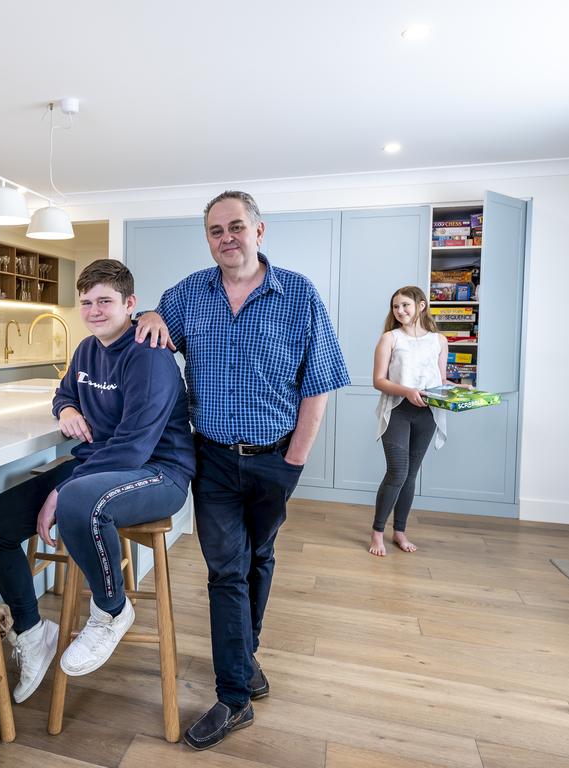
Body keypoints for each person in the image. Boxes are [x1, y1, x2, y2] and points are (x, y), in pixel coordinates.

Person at [135, 191, 350, 751]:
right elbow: (150, 340)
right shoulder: (187, 294)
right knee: (225, 570)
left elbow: (319, 383)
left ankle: (244, 655)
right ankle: (234, 695)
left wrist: (295, 461)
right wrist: (151, 314)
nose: (225, 237)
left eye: (235, 227)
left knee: (260, 555)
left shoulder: (298, 293)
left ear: (259, 230)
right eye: (214, 230)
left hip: (277, 458)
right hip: (212, 462)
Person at [0, 259, 194, 704]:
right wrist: (67, 410)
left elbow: (132, 447)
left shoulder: (149, 355)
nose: (93, 310)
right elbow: (66, 392)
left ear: (130, 304)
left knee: (76, 500)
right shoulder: (88, 349)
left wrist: (59, 490)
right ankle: (34, 633)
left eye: (105, 301)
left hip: (157, 471)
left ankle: (112, 610)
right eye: (86, 302)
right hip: (102, 464)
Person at [370, 286, 449, 557]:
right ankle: (377, 532)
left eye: (405, 305)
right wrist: (407, 391)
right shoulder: (390, 339)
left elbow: (440, 380)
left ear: (422, 305)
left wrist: (460, 391)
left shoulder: (439, 340)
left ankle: (400, 531)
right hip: (398, 410)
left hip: (427, 413)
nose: (400, 311)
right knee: (397, 472)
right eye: (395, 307)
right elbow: (378, 380)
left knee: (411, 475)